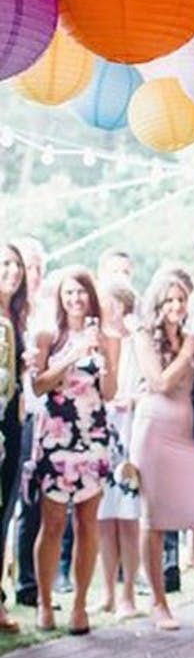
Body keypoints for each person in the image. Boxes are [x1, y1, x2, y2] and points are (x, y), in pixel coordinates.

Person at [30, 268, 120, 634]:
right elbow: (38, 386)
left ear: (91, 296)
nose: (76, 299)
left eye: (82, 292)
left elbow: (110, 392)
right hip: (56, 436)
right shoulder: (47, 335)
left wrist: (103, 356)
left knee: (87, 524)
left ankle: (80, 605)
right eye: (69, 293)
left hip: (92, 435)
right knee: (52, 523)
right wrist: (72, 354)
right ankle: (43, 600)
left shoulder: (108, 337)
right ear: (60, 297)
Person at [132, 272, 194, 631]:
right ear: (157, 304)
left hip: (187, 435)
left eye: (181, 300)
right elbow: (160, 382)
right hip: (153, 430)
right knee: (153, 520)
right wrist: (186, 352)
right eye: (168, 300)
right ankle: (158, 601)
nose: (176, 306)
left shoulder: (189, 338)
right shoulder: (144, 337)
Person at [95, 281, 142, 621]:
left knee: (128, 516)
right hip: (98, 432)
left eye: (113, 304)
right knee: (102, 518)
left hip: (131, 432)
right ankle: (107, 592)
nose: (109, 310)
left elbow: (150, 384)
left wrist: (134, 399)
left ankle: (128, 595)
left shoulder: (137, 343)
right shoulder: (93, 340)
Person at [11, 237, 46, 609]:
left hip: (41, 416)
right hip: (17, 414)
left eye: (36, 268)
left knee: (33, 501)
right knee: (18, 500)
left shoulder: (43, 312)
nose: (30, 275)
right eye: (26, 267)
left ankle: (30, 581)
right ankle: (20, 583)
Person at [0, 242, 28, 631]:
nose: (12, 270)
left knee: (4, 513)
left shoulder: (17, 317)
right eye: (5, 263)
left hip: (12, 422)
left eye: (16, 264)